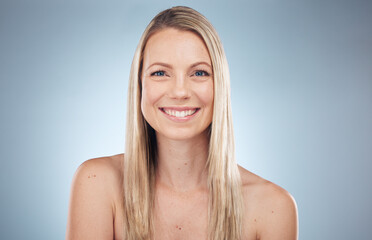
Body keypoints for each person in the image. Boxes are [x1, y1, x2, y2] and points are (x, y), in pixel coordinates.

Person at [66, 6, 298, 240]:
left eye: (199, 73)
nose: (179, 92)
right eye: (160, 73)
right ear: (140, 86)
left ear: (220, 85)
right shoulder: (96, 184)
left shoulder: (273, 208)